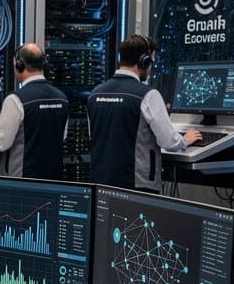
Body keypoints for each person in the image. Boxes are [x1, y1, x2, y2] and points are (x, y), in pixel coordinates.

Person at [86, 34, 201, 192]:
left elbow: (95, 136)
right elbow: (169, 142)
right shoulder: (148, 95)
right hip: (136, 186)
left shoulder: (95, 94)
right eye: (151, 61)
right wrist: (184, 140)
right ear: (144, 61)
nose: (151, 67)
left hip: (99, 183)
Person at [0, 42, 69, 180]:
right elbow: (60, 135)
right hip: (53, 178)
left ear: (19, 65)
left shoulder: (15, 99)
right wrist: (14, 124)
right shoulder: (62, 98)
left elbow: (1, 143)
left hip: (23, 180)